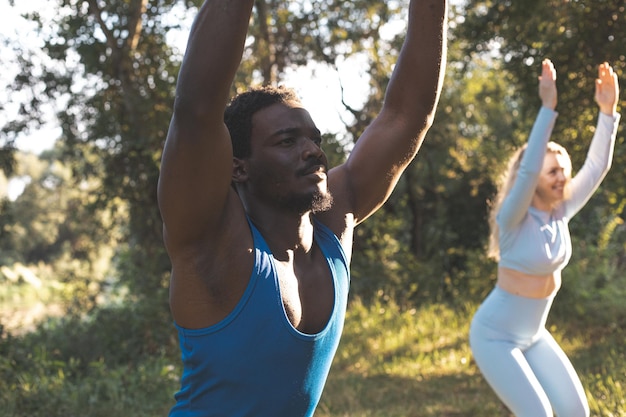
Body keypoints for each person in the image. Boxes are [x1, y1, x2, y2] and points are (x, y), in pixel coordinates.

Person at [157, 0, 447, 415]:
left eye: (315, 139)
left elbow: (407, 115)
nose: (313, 152)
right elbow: (197, 108)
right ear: (238, 167)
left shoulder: (333, 224)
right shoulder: (213, 244)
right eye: (287, 141)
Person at [469, 58, 621, 417]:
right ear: (534, 176)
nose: (561, 178)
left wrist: (608, 111)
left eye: (564, 171)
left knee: (576, 412)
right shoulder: (512, 219)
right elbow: (527, 170)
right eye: (552, 171)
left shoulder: (560, 211)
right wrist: (547, 108)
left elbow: (597, 166)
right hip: (494, 337)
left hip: (534, 334)